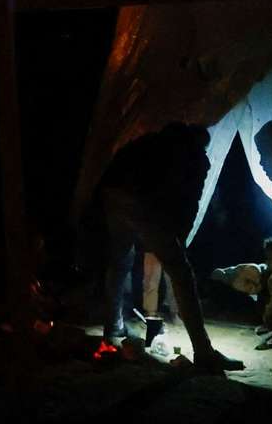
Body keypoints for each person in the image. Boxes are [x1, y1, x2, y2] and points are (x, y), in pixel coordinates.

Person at [99, 123, 243, 371]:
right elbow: (190, 201)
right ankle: (204, 352)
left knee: (120, 261)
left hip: (114, 196)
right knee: (181, 274)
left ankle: (113, 328)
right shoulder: (194, 156)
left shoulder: (150, 140)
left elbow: (114, 168)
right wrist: (178, 240)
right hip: (145, 204)